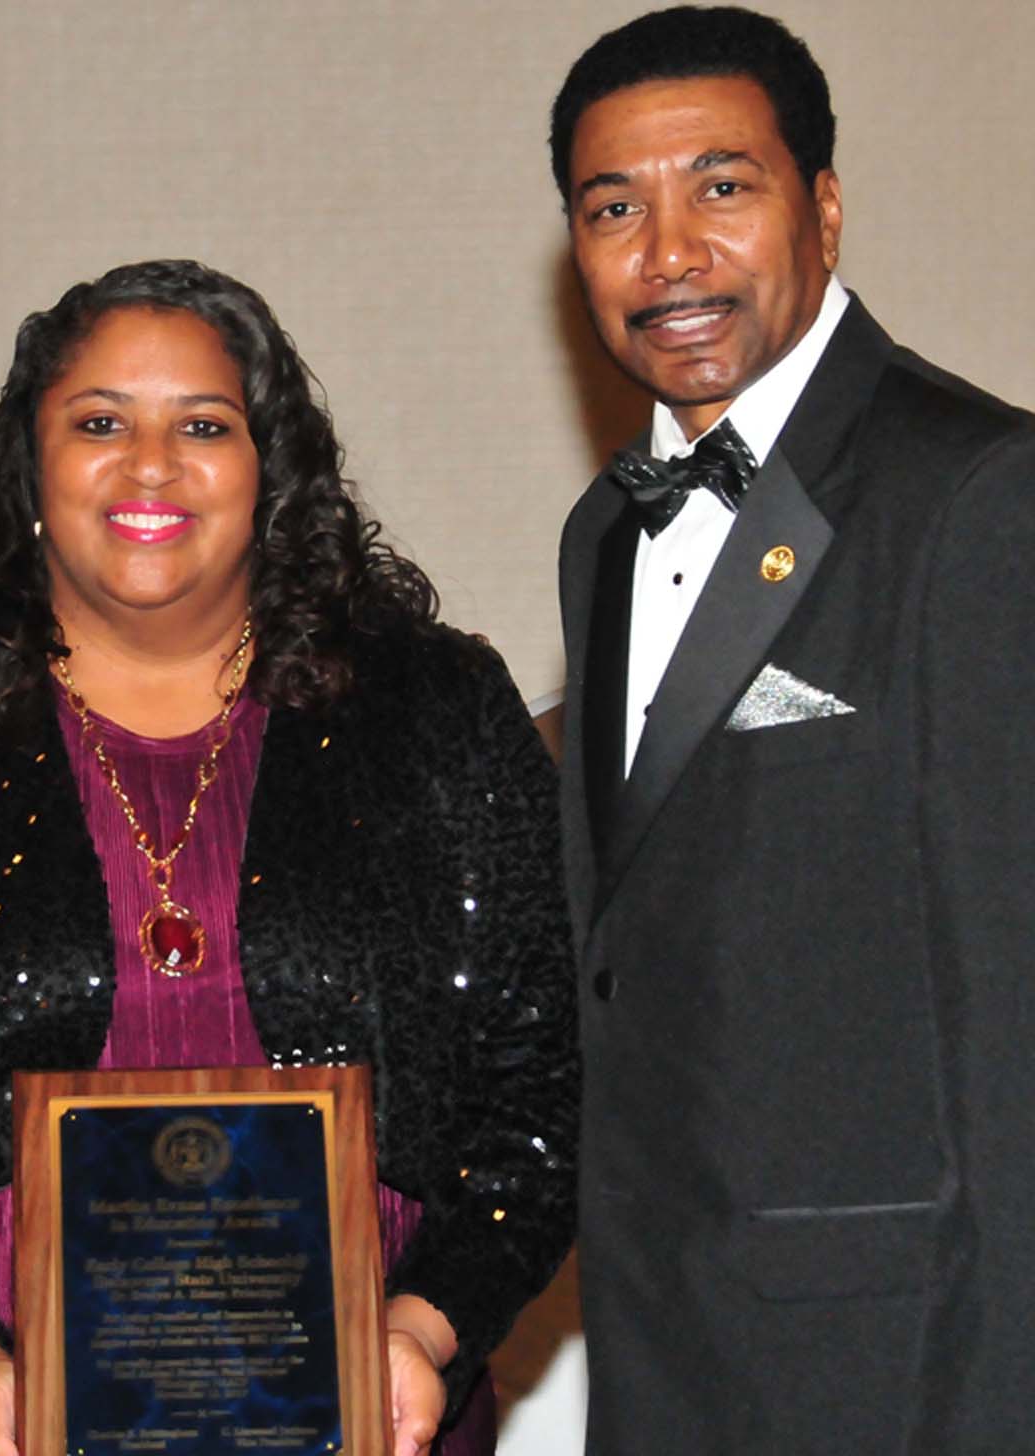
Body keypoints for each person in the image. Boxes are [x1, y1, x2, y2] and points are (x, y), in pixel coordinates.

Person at [0, 260, 577, 1456]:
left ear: (268, 470)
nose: (148, 464)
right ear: (29, 466)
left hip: (362, 1413)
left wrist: (422, 1330)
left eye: (201, 424)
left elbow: (539, 1089)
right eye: (97, 422)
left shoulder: (435, 709)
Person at [549, 9, 1035, 1452]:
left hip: (900, 1366)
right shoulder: (603, 532)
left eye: (721, 187)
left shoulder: (980, 498)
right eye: (613, 207)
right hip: (660, 1345)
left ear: (822, 207)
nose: (668, 253)